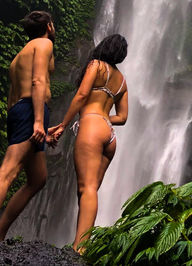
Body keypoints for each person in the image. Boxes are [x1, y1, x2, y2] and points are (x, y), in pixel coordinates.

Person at [0, 11, 55, 240]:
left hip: (22, 111)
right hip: (32, 110)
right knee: (8, 172)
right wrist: (37, 121)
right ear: (49, 27)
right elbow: (38, 81)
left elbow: (12, 101)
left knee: (38, 179)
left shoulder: (19, 57)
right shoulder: (44, 44)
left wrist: (41, 127)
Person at [49, 34, 129, 252]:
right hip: (109, 136)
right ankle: (81, 243)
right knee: (87, 191)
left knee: (87, 188)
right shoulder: (122, 80)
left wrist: (63, 125)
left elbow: (82, 95)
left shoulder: (96, 65)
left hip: (92, 127)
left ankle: (80, 249)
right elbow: (122, 118)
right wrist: (104, 118)